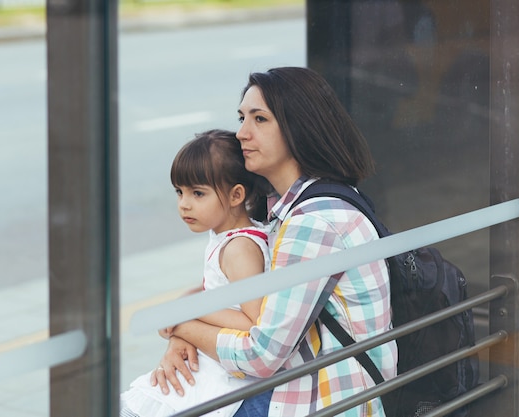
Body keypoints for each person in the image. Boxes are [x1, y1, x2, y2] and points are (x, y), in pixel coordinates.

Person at [151, 67, 398, 417]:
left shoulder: (313, 223)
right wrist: (183, 326)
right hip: (305, 384)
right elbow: (255, 299)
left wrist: (184, 323)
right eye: (241, 117)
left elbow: (260, 355)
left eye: (260, 119)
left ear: (299, 127)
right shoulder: (300, 203)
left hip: (325, 401)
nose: (241, 133)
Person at [120, 129, 272, 417]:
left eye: (197, 193)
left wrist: (190, 311)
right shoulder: (228, 238)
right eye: (180, 192)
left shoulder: (239, 248)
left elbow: (252, 321)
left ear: (236, 195)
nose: (184, 204)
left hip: (224, 373)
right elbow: (223, 293)